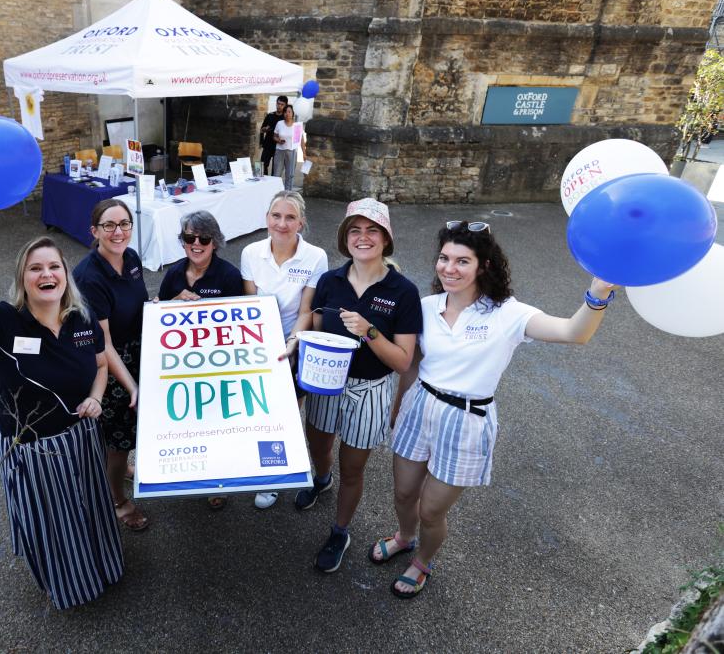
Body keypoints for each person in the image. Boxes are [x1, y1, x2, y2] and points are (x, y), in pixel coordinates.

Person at [369, 220, 617, 599]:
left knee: (432, 511)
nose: (449, 268)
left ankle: (422, 561)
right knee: (403, 493)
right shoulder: (426, 307)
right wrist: (398, 408)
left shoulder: (507, 314)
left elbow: (573, 333)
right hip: (420, 405)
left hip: (466, 420)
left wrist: (596, 295)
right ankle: (404, 536)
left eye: (462, 261)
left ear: (483, 266)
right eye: (444, 258)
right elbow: (415, 364)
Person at [0, 191, 122, 610]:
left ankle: (103, 569)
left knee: (90, 512)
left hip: (81, 439)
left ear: (66, 276)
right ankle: (72, 588)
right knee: (55, 527)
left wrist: (95, 398)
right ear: (23, 279)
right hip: (33, 448)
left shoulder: (81, 318)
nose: (46, 274)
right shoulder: (2, 320)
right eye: (36, 268)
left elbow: (102, 365)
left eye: (55, 266)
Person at [296, 199, 422, 573]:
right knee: (317, 445)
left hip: (370, 389)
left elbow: (402, 360)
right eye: (355, 230)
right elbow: (316, 330)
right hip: (326, 383)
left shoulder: (403, 291)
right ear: (344, 238)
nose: (362, 237)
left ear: (386, 239)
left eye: (372, 230)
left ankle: (340, 530)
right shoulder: (330, 281)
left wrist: (368, 331)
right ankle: (321, 480)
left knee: (352, 468)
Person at [240, 190, 328, 508]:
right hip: (258, 343)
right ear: (267, 219)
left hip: (294, 342)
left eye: (290, 217)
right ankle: (265, 468)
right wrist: (262, 346)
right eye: (276, 215)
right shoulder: (250, 253)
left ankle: (274, 477)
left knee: (286, 414)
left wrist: (291, 343)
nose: (282, 223)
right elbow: (251, 305)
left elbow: (306, 309)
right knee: (260, 409)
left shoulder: (316, 257)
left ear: (301, 223)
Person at [73, 199, 151, 532]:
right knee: (117, 443)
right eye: (109, 226)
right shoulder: (90, 277)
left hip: (138, 350)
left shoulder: (130, 258)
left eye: (124, 224)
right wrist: (132, 385)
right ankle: (117, 499)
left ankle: (123, 470)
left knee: (131, 431)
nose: (118, 232)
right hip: (110, 361)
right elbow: (102, 344)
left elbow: (140, 304)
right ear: (95, 231)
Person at [158, 210, 244, 510]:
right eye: (189, 238)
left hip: (218, 367)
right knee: (187, 423)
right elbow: (159, 318)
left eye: (203, 238)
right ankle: (190, 471)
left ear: (215, 242)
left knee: (217, 424)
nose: (196, 244)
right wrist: (170, 304)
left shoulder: (230, 276)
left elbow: (241, 327)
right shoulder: (172, 275)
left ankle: (218, 479)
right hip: (182, 366)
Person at [272, 104, 306, 191]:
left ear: (292, 113)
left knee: (290, 175)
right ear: (283, 114)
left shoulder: (297, 126)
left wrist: (304, 153)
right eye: (285, 112)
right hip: (280, 151)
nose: (287, 114)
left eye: (289, 112)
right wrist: (278, 140)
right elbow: (274, 136)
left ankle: (288, 193)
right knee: (277, 173)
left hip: (292, 152)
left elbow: (301, 140)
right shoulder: (279, 124)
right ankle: (275, 192)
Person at [259, 95, 288, 175]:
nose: (279, 106)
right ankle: (261, 182)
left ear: (285, 105)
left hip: (279, 147)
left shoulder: (285, 118)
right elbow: (261, 130)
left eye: (282, 104)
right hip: (268, 145)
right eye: (278, 104)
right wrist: (265, 129)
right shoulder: (270, 115)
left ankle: (272, 185)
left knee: (275, 170)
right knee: (262, 166)